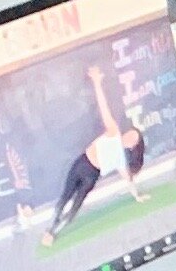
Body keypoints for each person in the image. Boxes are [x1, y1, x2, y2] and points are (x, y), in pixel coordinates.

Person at [46, 71, 141, 245]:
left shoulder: (120, 159)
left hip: (92, 175)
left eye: (133, 140)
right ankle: (50, 227)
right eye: (131, 134)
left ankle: (55, 232)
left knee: (76, 204)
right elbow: (104, 108)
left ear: (132, 147)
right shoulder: (114, 132)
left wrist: (137, 197)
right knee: (65, 197)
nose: (129, 137)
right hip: (82, 163)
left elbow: (128, 179)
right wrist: (97, 82)